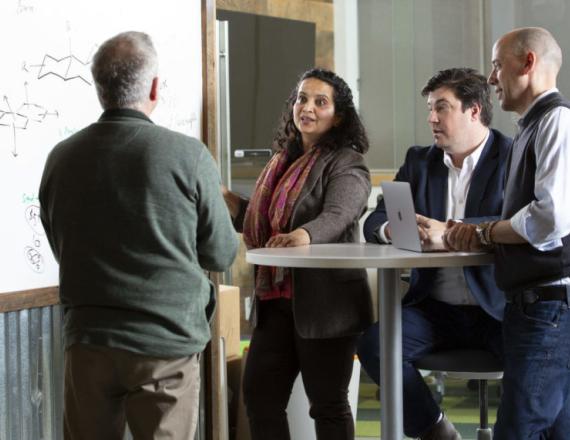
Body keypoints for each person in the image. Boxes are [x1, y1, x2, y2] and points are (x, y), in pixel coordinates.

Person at [39, 31, 238, 440]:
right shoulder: (188, 155)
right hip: (165, 345)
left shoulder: (61, 157)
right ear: (152, 87)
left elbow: (61, 242)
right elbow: (221, 253)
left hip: (88, 341)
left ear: (99, 89)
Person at [357, 68, 512, 440]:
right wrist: (392, 228)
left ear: (474, 110)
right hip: (435, 309)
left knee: (546, 356)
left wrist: (454, 232)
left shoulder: (513, 156)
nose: (431, 118)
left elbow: (518, 220)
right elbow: (375, 218)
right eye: (429, 108)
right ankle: (436, 430)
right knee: (374, 344)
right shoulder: (419, 161)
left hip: (499, 307)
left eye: (441, 107)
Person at [222, 68, 373, 440]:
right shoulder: (281, 161)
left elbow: (339, 215)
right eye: (302, 98)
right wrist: (227, 200)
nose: (307, 107)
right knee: (259, 398)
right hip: (275, 303)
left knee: (327, 405)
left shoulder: (347, 162)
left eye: (320, 102)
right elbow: (265, 225)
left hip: (326, 305)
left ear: (337, 116)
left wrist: (303, 234)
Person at [444, 27, 570, 439]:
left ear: (528, 63)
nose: (492, 78)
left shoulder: (556, 122)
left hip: (547, 308)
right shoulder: (531, 128)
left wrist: (487, 233)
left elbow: (550, 218)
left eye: (498, 65)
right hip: (536, 305)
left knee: (518, 429)